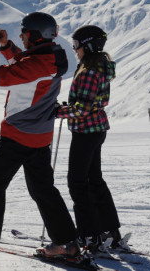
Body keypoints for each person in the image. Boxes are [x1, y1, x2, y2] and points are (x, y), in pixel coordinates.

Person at [0, 12, 82, 269]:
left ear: (35, 35)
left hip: (16, 136)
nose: (21, 35)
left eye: (24, 33)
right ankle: (68, 244)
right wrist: (6, 46)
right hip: (40, 136)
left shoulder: (37, 64)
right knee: (43, 190)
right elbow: (25, 63)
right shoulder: (52, 55)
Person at [54, 25, 124, 252]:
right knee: (94, 180)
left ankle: (89, 235)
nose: (75, 50)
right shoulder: (101, 67)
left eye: (77, 46)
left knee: (77, 182)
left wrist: (58, 111)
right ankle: (109, 231)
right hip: (97, 129)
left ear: (90, 46)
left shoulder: (88, 72)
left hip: (85, 132)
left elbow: (82, 108)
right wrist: (70, 108)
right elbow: (89, 103)